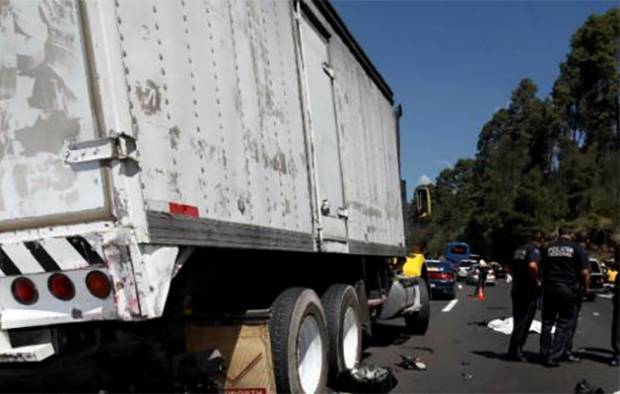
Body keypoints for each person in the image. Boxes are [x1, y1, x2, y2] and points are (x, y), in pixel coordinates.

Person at [539, 227, 589, 367]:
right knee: (564, 324)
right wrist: (585, 288)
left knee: (547, 323)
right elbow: (585, 272)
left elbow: (541, 267)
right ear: (571, 235)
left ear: (559, 234)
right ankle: (554, 355)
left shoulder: (548, 248)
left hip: (549, 289)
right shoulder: (576, 249)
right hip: (568, 290)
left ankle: (544, 353)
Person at [507, 232, 543, 361]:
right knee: (525, 321)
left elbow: (509, 267)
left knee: (518, 320)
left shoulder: (518, 250)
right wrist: (536, 280)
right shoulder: (533, 250)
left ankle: (513, 349)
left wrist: (518, 276)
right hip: (528, 289)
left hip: (516, 287)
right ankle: (516, 351)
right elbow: (532, 265)